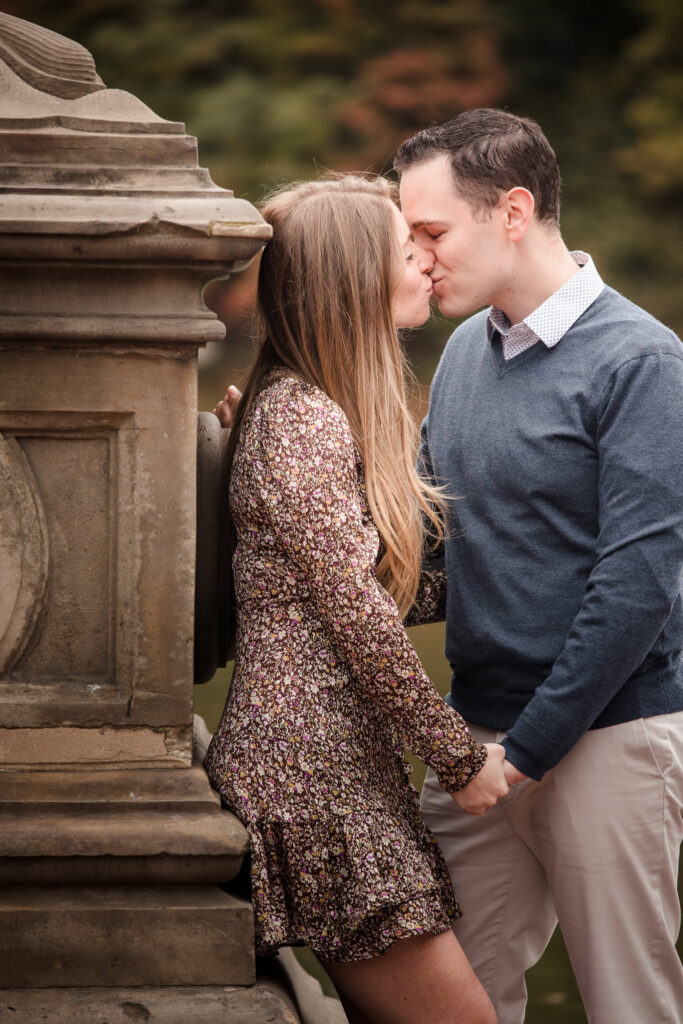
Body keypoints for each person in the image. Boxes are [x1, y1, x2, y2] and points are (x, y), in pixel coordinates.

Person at [392, 108, 683, 1023]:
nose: (417, 255)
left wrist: (525, 753)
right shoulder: (461, 357)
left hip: (606, 741)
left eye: (430, 231)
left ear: (512, 212)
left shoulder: (642, 363)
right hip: (475, 738)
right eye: (409, 236)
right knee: (450, 1003)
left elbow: (635, 588)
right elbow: (434, 543)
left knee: (627, 1006)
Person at [204, 174, 504, 1024]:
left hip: (339, 769)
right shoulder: (302, 416)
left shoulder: (308, 404)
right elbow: (354, 612)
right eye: (407, 253)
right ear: (355, 281)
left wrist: (531, 585)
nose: (425, 266)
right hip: (313, 777)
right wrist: (457, 761)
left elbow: (358, 592)